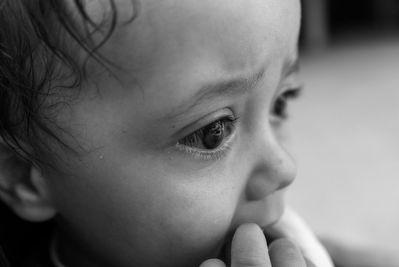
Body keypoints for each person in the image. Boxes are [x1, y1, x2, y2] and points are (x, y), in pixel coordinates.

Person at [0, 0, 334, 266]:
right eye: (212, 133)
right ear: (25, 176)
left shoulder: (278, 239)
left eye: (281, 102)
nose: (283, 168)